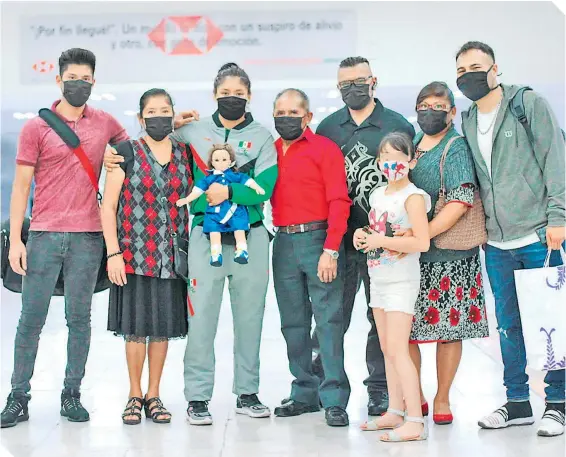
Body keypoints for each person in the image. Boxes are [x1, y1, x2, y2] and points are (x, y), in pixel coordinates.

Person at [1, 48, 129, 428]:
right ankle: (17, 396)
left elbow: (130, 149)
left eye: (86, 79)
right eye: (73, 78)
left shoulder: (105, 122)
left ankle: (71, 395)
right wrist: (16, 240)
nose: (79, 84)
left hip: (88, 238)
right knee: (30, 321)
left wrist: (172, 128)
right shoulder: (36, 128)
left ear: (93, 81)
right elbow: (22, 186)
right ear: (59, 80)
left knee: (80, 320)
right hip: (41, 235)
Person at [457, 41, 565, 437]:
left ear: (494, 69)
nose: (468, 74)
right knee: (507, 325)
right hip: (497, 243)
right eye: (461, 69)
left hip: (539, 234)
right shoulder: (468, 118)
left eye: (475, 66)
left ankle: (558, 402)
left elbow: (555, 159)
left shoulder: (527, 103)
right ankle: (518, 400)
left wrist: (558, 217)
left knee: (550, 321)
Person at [315, 56, 416, 415]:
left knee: (380, 317)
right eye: (345, 84)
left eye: (359, 81)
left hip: (384, 243)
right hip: (338, 241)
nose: (352, 89)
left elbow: (411, 179)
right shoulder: (327, 127)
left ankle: (379, 388)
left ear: (374, 81)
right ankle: (324, 385)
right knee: (332, 315)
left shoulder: (396, 124)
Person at [398, 81, 489, 425]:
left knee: (449, 330)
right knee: (406, 329)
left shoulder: (455, 148)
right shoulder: (410, 146)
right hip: (410, 257)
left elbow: (460, 201)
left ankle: (442, 397)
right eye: (424, 104)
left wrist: (422, 234)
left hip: (450, 258)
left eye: (438, 106)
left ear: (452, 112)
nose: (430, 111)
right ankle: (415, 393)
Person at [101, 88, 191, 425]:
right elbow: (108, 207)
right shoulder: (124, 152)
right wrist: (113, 253)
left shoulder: (184, 153)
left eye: (165, 110)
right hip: (134, 254)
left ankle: (155, 394)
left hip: (171, 256)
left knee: (163, 329)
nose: (159, 116)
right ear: (141, 119)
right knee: (136, 329)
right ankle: (134, 394)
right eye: (152, 112)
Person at [269, 89, 351, 427]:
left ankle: (333, 398)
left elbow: (339, 201)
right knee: (292, 323)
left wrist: (331, 249)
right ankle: (304, 392)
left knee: (329, 322)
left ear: (307, 117)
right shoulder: (270, 152)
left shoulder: (324, 150)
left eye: (293, 112)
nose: (286, 118)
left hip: (319, 239)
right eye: (280, 112)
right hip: (283, 242)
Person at [354, 132, 431, 442]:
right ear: (378, 162)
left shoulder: (414, 196)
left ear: (410, 161)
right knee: (387, 349)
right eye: (385, 157)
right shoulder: (377, 195)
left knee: (400, 350)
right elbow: (377, 231)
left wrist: (379, 240)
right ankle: (395, 411)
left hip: (402, 280)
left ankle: (415, 420)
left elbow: (421, 242)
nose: (391, 163)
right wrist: (362, 236)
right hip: (379, 278)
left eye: (398, 158)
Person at [176, 143, 265, 266]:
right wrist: (187, 199)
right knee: (214, 231)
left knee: (239, 229)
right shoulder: (209, 179)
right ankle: (216, 254)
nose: (221, 162)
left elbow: (247, 181)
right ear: (212, 162)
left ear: (231, 161)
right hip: (215, 211)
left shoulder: (235, 176)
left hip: (235, 210)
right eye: (217, 160)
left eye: (224, 159)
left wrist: (257, 187)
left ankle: (242, 251)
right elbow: (198, 189)